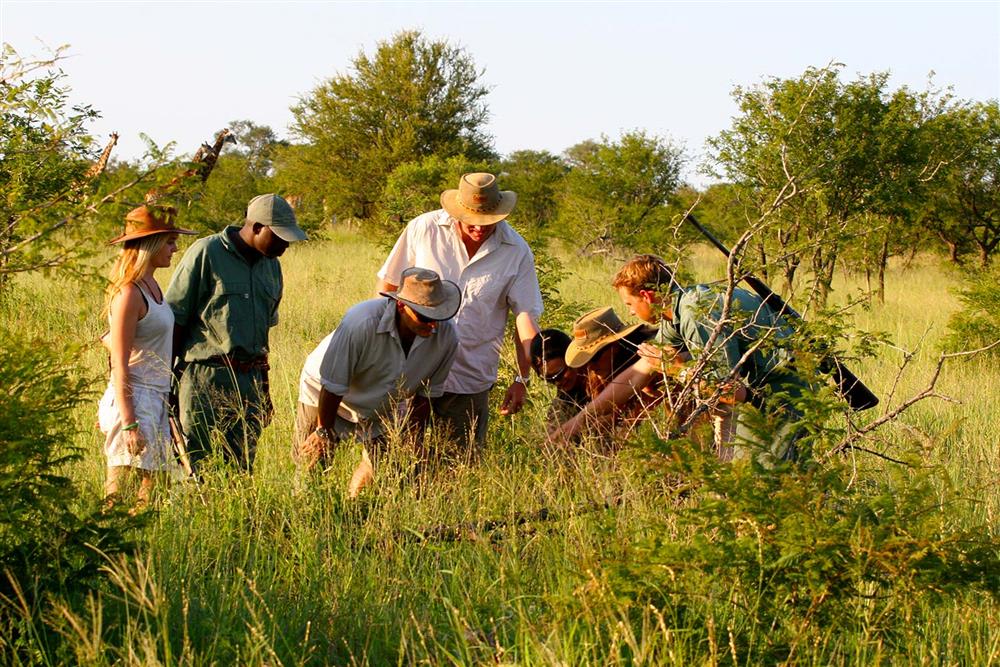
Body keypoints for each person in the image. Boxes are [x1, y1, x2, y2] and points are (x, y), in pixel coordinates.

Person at [555, 254, 808, 466]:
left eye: (630, 303)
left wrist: (678, 368)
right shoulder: (677, 309)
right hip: (757, 394)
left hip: (782, 397)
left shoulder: (694, 312)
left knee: (764, 486)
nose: (630, 311)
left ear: (647, 295)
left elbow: (724, 390)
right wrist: (572, 428)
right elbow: (639, 371)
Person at [377, 173, 543, 454]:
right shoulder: (424, 228)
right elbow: (388, 285)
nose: (479, 229)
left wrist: (523, 378)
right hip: (412, 367)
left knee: (459, 459)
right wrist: (381, 349)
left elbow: (525, 317)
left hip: (469, 375)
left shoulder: (517, 250)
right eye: (472, 221)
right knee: (393, 455)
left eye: (488, 222)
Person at [166, 193, 307, 473]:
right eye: (279, 237)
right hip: (204, 378)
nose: (285, 245)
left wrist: (264, 391)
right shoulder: (206, 252)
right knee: (195, 465)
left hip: (250, 381)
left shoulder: (272, 266)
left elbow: (263, 335)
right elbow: (176, 320)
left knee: (241, 469)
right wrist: (165, 384)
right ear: (256, 227)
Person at [296, 267, 460, 496]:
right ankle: (306, 510)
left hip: (383, 401)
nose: (434, 325)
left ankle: (354, 504)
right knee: (312, 459)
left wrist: (415, 440)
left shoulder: (447, 337)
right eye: (426, 317)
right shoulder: (361, 323)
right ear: (402, 306)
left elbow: (425, 395)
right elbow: (333, 384)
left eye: (440, 317)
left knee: (380, 465)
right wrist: (323, 431)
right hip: (327, 393)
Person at [98, 205, 196, 508]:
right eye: (168, 241)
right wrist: (128, 422)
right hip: (135, 399)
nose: (175, 248)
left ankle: (137, 553)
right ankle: (100, 549)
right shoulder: (129, 293)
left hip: (155, 397)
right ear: (149, 245)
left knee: (153, 492)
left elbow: (112, 340)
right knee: (118, 491)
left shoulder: (152, 286)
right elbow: (120, 362)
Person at [529, 329, 589, 432]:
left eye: (560, 374)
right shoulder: (561, 407)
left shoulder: (601, 373)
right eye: (549, 379)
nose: (557, 382)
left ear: (572, 358)